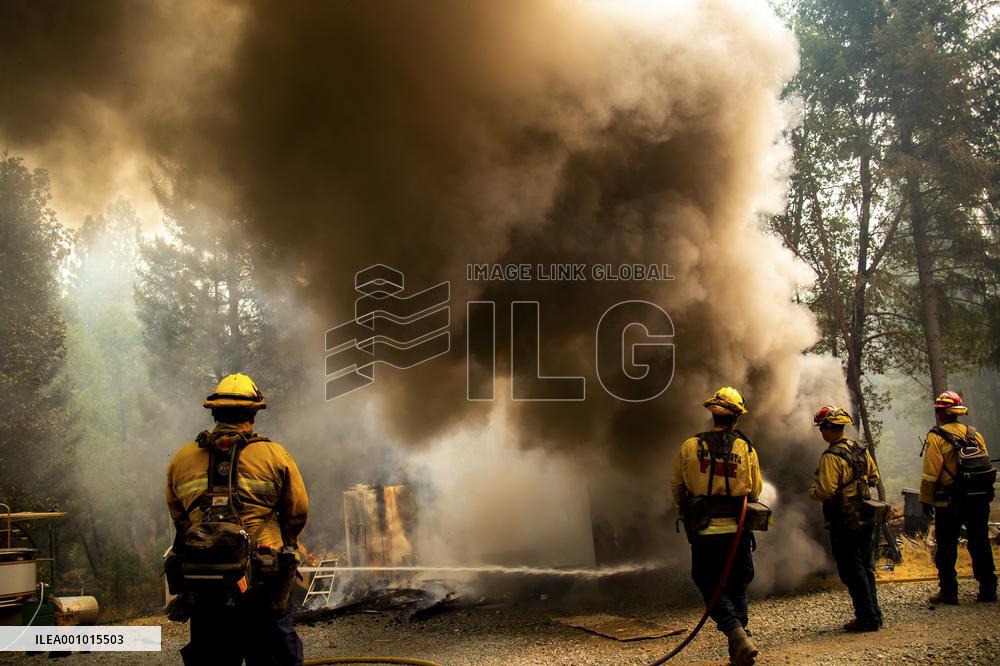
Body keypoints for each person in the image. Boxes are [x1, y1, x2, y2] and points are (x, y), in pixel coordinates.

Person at [166, 373, 310, 665]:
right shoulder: (274, 455)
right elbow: (297, 511)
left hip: (206, 584)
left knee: (213, 655)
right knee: (273, 654)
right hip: (265, 582)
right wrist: (289, 541)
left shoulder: (180, 460)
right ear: (253, 414)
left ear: (214, 412)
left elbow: (180, 520)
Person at [671, 386, 762, 666]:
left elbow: (677, 486)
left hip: (704, 531)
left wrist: (685, 507)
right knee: (737, 586)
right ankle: (740, 645)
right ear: (736, 417)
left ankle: (737, 636)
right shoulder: (745, 447)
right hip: (737, 531)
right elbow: (755, 490)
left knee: (707, 582)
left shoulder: (690, 446)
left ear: (712, 414)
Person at [807, 405, 882, 632]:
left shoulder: (831, 456)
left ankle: (866, 618)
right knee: (866, 566)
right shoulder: (860, 449)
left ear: (830, 428)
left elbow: (826, 491)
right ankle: (874, 614)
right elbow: (874, 477)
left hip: (844, 518)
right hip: (866, 514)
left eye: (822, 428)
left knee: (852, 569)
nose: (821, 433)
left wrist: (813, 491)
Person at [919, 390, 996, 604]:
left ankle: (949, 591)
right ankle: (988, 589)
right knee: (980, 543)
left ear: (942, 412)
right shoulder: (974, 434)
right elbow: (985, 464)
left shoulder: (936, 436)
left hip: (950, 501)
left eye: (938, 410)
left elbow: (930, 473)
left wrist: (926, 499)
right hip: (978, 499)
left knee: (946, 545)